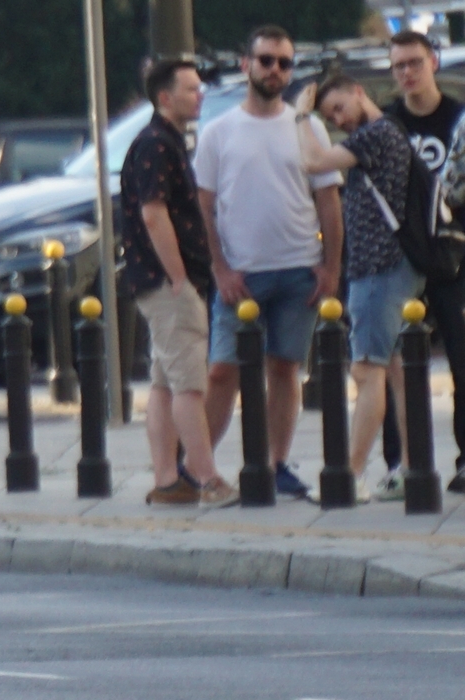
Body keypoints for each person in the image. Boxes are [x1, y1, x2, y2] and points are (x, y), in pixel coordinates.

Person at [195, 24, 343, 501]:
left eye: (284, 62)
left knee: (285, 369)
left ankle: (276, 462)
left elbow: (329, 202)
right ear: (246, 65)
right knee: (222, 371)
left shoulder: (309, 127)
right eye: (266, 61)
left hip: (299, 268)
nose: (275, 70)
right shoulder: (218, 132)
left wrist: (331, 267)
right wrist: (219, 268)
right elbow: (204, 206)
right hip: (240, 274)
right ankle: (198, 468)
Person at [297, 75, 422, 502]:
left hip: (379, 269)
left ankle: (348, 476)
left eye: (338, 109)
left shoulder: (375, 133)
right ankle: (411, 468)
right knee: (398, 373)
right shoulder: (389, 130)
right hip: (391, 266)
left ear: (358, 92)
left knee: (366, 371)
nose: (337, 119)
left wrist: (301, 115)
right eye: (328, 115)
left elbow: (315, 162)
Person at [120, 59, 231, 506]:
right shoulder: (156, 145)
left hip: (159, 280)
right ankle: (206, 479)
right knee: (189, 384)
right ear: (165, 97)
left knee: (166, 384)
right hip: (169, 284)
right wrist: (179, 275)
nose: (199, 95)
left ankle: (169, 481)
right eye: (190, 89)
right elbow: (153, 211)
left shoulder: (163, 141)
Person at [383, 28, 465, 492]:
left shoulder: (457, 119)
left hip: (452, 255)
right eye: (399, 66)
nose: (408, 73)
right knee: (394, 365)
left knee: (461, 360)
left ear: (433, 61)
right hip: (400, 258)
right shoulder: (388, 123)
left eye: (415, 62)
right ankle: (402, 464)